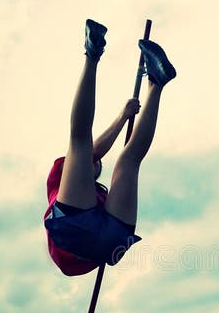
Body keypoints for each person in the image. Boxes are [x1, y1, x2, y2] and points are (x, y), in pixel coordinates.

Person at [44, 19, 176, 276]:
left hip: (105, 242)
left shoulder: (63, 174)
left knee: (101, 150)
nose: (94, 163)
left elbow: (88, 148)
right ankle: (152, 82)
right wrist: (123, 116)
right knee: (128, 161)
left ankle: (144, 78)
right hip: (92, 237)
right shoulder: (81, 187)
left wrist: (124, 116)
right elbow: (92, 152)